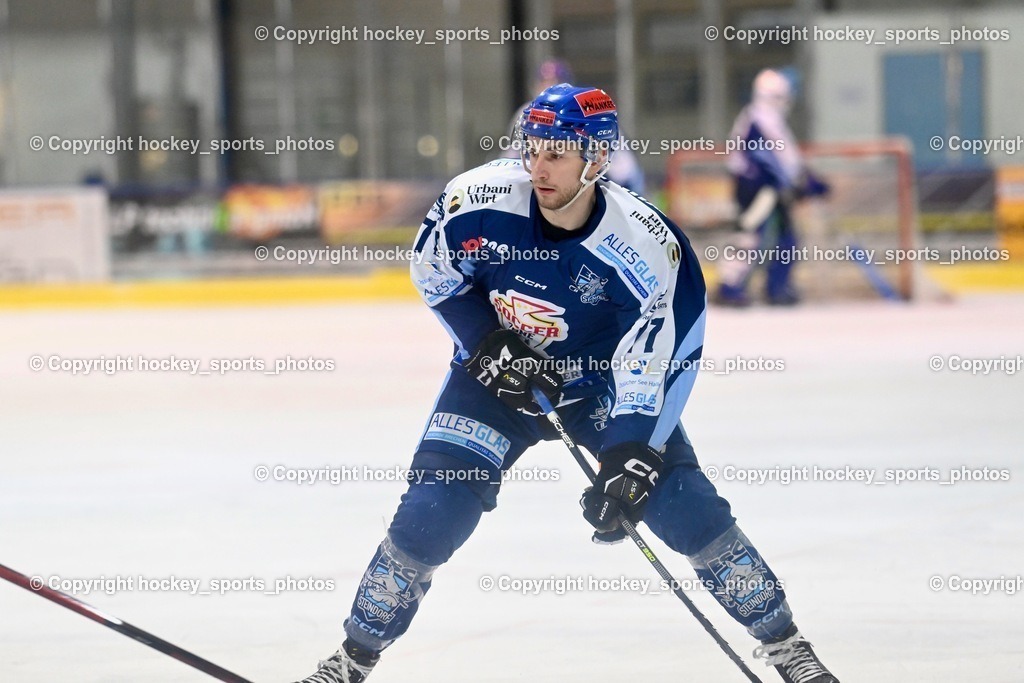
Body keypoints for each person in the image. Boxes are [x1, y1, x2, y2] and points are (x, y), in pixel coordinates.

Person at [294, 84, 839, 683]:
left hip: (600, 387)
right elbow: (434, 269)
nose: (538, 167)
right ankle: (350, 660)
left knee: (687, 508)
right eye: (532, 149)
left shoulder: (645, 243)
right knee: (431, 513)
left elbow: (658, 358)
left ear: (597, 159)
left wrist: (630, 453)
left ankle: (788, 647)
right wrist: (484, 341)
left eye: (556, 153)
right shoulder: (478, 200)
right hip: (497, 380)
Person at [716, 69, 829, 307]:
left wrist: (803, 181)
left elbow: (787, 160)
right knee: (748, 239)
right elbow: (780, 164)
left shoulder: (763, 120)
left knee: (786, 238)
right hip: (758, 194)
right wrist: (805, 184)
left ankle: (777, 287)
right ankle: (730, 287)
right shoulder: (760, 121)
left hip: (769, 193)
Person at [501, 59, 645, 194]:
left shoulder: (587, 112)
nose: (549, 86)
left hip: (583, 184)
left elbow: (624, 170)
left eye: (555, 82)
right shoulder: (526, 112)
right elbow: (510, 161)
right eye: (544, 81)